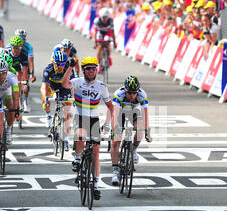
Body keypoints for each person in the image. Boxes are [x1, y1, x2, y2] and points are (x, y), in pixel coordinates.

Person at [62, 57, 113, 200]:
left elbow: (111, 107)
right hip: (80, 116)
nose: (91, 71)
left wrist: (108, 123)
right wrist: (70, 67)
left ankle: (96, 186)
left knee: (96, 153)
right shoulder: (77, 82)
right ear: (83, 69)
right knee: (80, 136)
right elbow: (65, 84)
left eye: (94, 68)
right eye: (88, 68)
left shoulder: (101, 86)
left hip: (94, 120)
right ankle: (77, 158)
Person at [110, 76, 152, 186]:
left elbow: (145, 114)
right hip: (120, 113)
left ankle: (133, 149)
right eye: (130, 93)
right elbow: (115, 113)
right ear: (125, 90)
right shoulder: (118, 94)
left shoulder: (142, 95)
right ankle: (115, 171)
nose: (132, 95)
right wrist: (114, 129)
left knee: (141, 130)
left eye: (134, 93)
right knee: (115, 141)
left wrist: (147, 131)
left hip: (135, 113)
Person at [41, 50, 75, 151]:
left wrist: (73, 99)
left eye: (62, 64)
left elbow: (72, 86)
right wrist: (46, 99)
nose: (60, 66)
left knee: (67, 113)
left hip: (65, 87)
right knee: (45, 97)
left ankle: (66, 139)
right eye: (58, 64)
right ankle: (48, 117)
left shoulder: (69, 69)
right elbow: (44, 87)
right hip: (52, 86)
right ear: (53, 62)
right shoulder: (48, 70)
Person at [0, 59, 19, 145]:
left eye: (3, 73)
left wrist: (16, 109)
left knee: (12, 106)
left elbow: (15, 96)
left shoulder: (12, 77)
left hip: (6, 93)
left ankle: (8, 130)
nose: (1, 76)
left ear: (7, 71)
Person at [5, 36, 29, 111]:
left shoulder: (24, 53)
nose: (17, 50)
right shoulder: (6, 53)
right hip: (8, 69)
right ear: (11, 47)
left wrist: (25, 83)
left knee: (19, 76)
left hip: (18, 70)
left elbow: (25, 69)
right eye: (15, 48)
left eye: (18, 47)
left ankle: (17, 97)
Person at [93, 8, 117, 73]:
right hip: (100, 32)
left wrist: (114, 42)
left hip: (107, 32)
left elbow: (112, 32)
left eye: (106, 17)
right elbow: (95, 32)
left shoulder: (110, 21)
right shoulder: (97, 21)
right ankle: (99, 65)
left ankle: (108, 56)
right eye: (103, 17)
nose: (104, 19)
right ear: (100, 17)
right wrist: (95, 42)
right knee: (100, 46)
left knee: (108, 43)